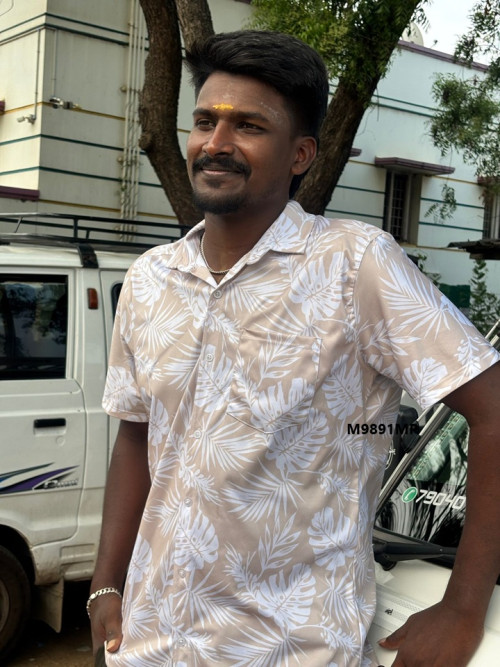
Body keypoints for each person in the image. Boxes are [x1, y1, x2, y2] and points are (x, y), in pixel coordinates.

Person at [88, 30, 500, 666]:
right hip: (152, 642)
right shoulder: (149, 279)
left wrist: (463, 608)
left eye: (249, 126)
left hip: (291, 648)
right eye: (205, 121)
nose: (216, 144)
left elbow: (494, 410)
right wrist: (105, 584)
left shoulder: (354, 266)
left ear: (301, 154)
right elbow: (137, 434)